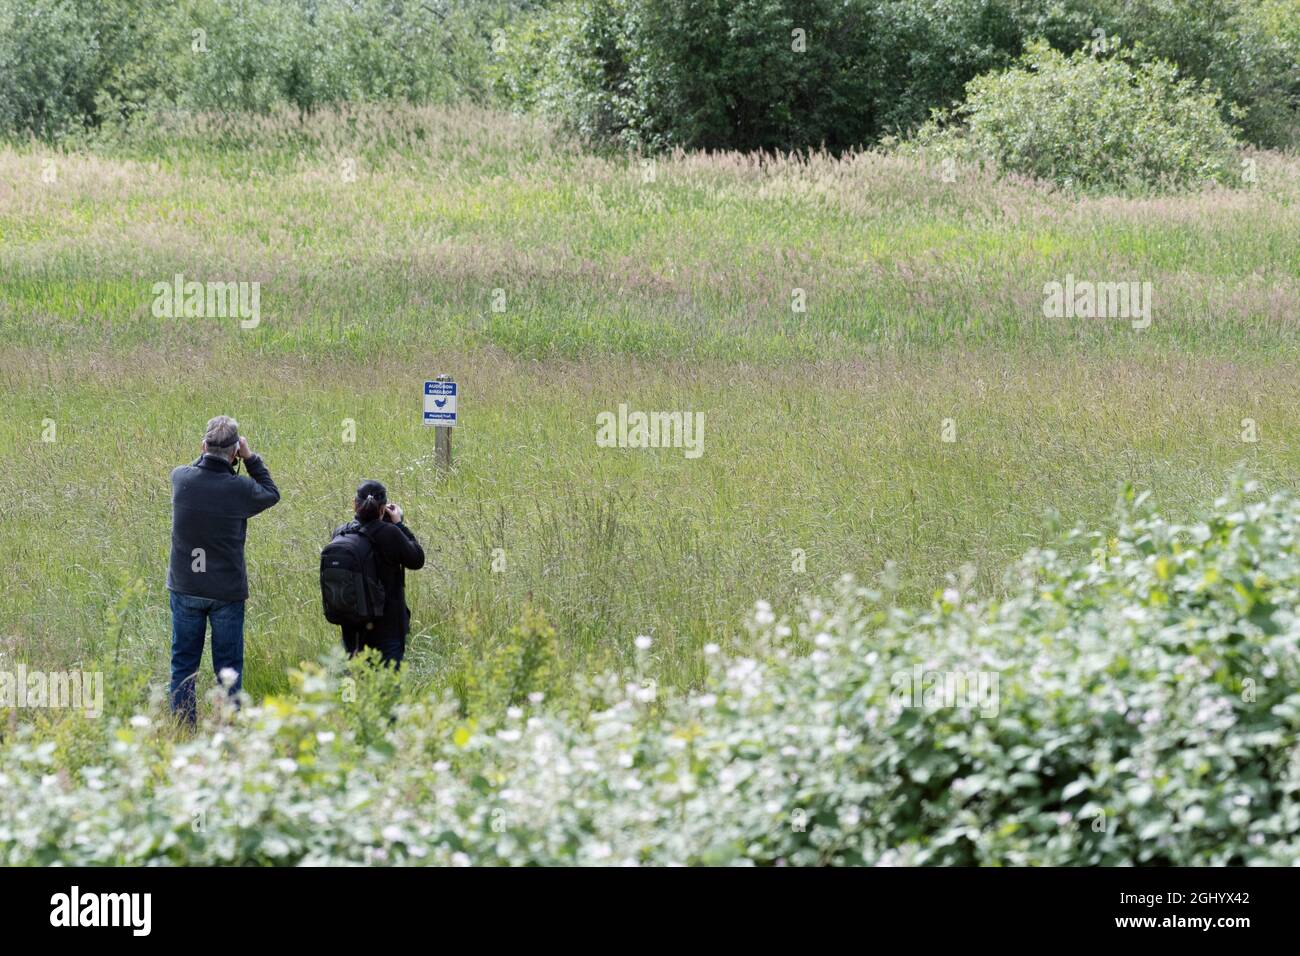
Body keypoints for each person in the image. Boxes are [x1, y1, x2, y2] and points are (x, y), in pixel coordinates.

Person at [167, 416, 280, 725]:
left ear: (203, 447)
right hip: (226, 591)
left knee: (183, 665)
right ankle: (229, 732)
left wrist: (211, 455)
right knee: (228, 669)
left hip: (186, 585)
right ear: (234, 453)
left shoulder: (180, 479)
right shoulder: (240, 488)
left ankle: (181, 729)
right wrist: (250, 458)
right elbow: (271, 492)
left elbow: (197, 468)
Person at [332, 480, 425, 667]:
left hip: (352, 627)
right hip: (387, 629)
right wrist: (399, 524)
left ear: (354, 504)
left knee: (358, 685)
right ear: (383, 509)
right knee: (388, 691)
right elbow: (417, 559)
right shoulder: (390, 533)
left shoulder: (341, 533)